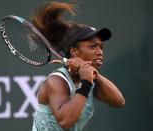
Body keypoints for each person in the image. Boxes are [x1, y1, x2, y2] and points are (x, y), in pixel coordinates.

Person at [30, 1, 125, 131]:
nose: (99, 52)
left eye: (101, 47)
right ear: (74, 52)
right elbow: (65, 121)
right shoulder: (57, 80)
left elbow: (118, 102)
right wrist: (85, 84)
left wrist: (94, 74)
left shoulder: (90, 77)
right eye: (93, 46)